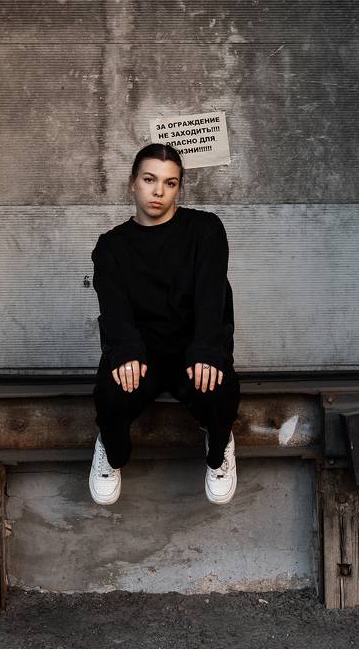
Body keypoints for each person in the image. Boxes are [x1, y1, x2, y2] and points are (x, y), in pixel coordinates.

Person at [88, 142, 241, 506]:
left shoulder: (205, 230)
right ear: (132, 183)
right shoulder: (111, 246)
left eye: (170, 183)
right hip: (142, 353)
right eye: (149, 180)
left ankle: (220, 449)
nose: (158, 191)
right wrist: (125, 351)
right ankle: (110, 449)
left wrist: (207, 349)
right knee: (112, 393)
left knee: (217, 388)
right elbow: (114, 310)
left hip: (193, 349)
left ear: (179, 188)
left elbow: (212, 296)